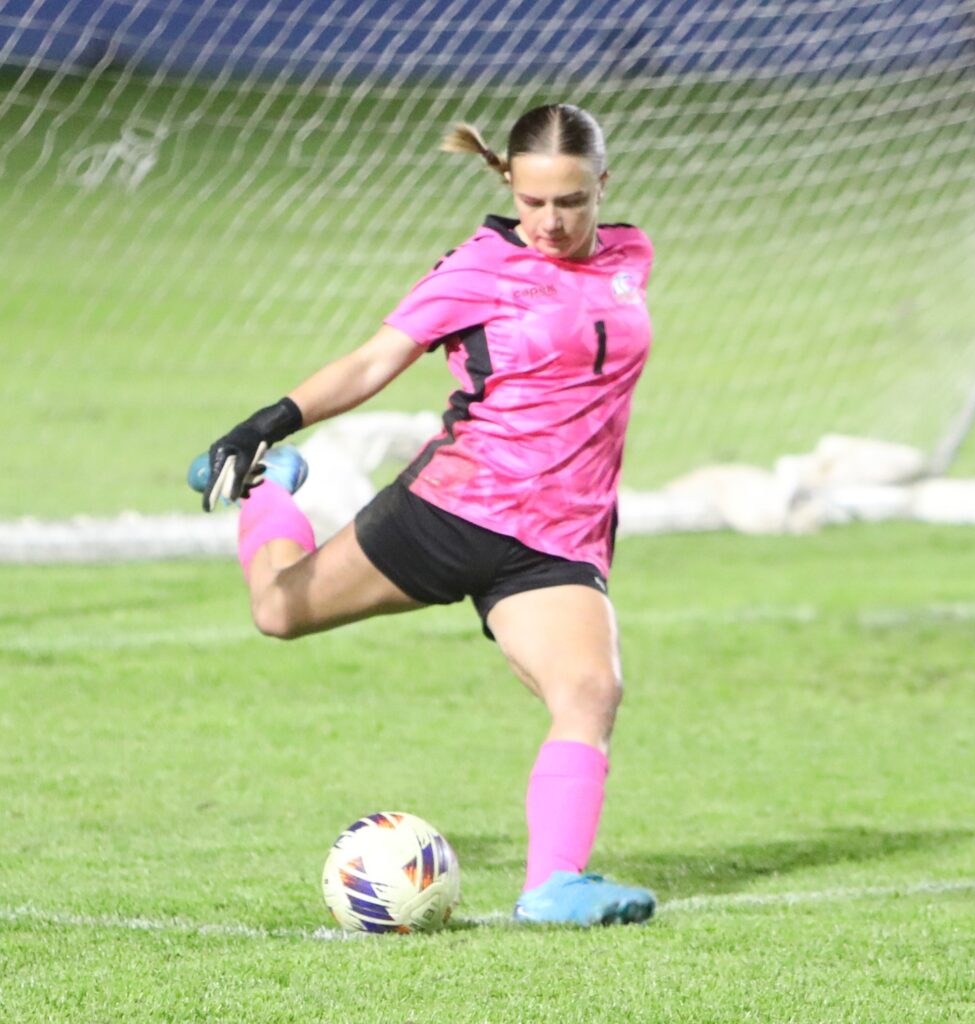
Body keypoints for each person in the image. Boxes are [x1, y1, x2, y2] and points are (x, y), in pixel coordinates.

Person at [189, 103, 656, 927]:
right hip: (453, 510)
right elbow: (376, 360)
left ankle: (553, 886)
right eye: (535, 201)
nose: (551, 221)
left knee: (589, 689)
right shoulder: (479, 267)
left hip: (556, 542)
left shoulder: (631, 257)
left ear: (603, 186)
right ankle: (271, 492)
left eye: (572, 201)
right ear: (508, 183)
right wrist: (267, 426)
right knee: (277, 612)